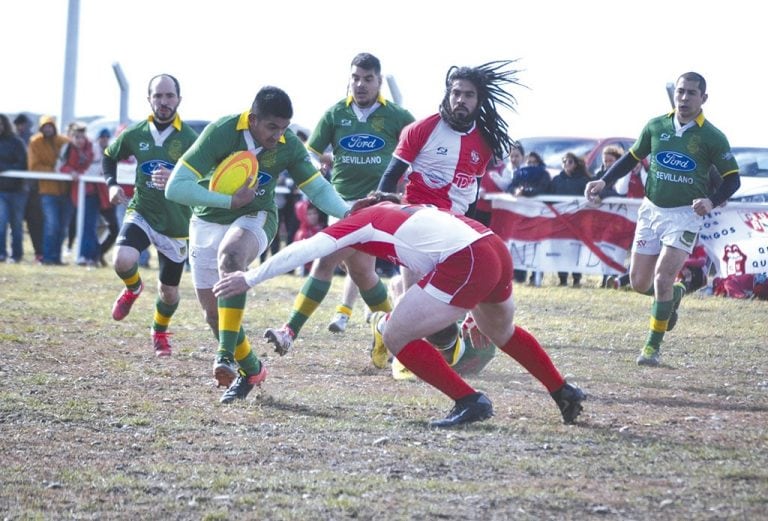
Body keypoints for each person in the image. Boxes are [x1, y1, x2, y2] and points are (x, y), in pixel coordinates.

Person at [212, 193, 586, 427]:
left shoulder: (361, 221)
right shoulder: (406, 210)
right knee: (502, 333)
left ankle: (470, 401)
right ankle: (562, 390)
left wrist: (250, 277)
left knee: (394, 333)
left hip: (468, 259)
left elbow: (307, 250)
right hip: (492, 248)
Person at [165, 85, 351, 404]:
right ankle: (251, 370)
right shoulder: (222, 132)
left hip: (257, 217)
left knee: (232, 256)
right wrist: (228, 200)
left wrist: (349, 212)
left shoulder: (288, 145)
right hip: (208, 220)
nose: (279, 136)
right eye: (272, 127)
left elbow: (318, 191)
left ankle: (223, 355)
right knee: (214, 315)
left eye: (284, 128)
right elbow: (175, 188)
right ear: (253, 120)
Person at [375, 60, 522, 374]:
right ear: (447, 94)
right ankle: (403, 359)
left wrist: (473, 230)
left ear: (478, 100)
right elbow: (388, 179)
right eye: (455, 93)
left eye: (468, 95)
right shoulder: (421, 129)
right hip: (418, 222)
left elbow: (472, 191)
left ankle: (387, 324)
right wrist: (383, 212)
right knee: (418, 298)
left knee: (442, 304)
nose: (460, 100)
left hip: (454, 228)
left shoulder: (484, 142)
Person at [585, 71, 740, 366]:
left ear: (703, 98)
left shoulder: (713, 137)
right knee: (640, 282)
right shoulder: (656, 126)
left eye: (691, 93)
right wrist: (604, 181)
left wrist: (712, 200)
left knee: (662, 277)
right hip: (651, 210)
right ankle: (675, 295)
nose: (683, 98)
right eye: (680, 91)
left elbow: (733, 180)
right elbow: (631, 157)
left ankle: (651, 348)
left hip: (685, 216)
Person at [265, 53, 414, 354]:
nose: (360, 85)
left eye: (368, 79)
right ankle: (396, 336)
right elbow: (308, 152)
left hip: (377, 205)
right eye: (355, 78)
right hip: (341, 205)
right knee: (361, 273)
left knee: (325, 260)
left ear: (379, 81)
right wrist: (316, 167)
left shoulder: (397, 116)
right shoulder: (335, 114)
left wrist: (408, 180)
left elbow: (418, 148)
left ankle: (289, 331)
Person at [102, 74, 199, 356]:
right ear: (149, 99)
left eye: (169, 96)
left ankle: (159, 331)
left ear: (179, 99)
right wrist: (111, 185)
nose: (164, 101)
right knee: (122, 260)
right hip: (142, 211)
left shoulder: (191, 139)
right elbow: (109, 156)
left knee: (168, 292)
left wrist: (177, 176)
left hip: (176, 224)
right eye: (158, 96)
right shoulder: (136, 133)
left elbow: (205, 176)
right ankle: (133, 289)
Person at [29, 115, 70, 265]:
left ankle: (56, 258)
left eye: (50, 126)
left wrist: (65, 170)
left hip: (66, 192)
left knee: (62, 228)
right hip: (47, 191)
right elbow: (34, 167)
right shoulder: (35, 142)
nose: (48, 129)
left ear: (54, 127)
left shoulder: (64, 141)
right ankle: (48, 257)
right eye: (45, 126)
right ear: (41, 128)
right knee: (52, 225)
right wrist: (55, 171)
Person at [57, 121, 98, 267]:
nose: (79, 140)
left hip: (92, 191)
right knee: (74, 224)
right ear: (71, 137)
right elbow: (60, 167)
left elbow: (97, 166)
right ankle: (82, 254)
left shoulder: (94, 147)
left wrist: (81, 174)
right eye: (76, 137)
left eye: (82, 136)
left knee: (89, 224)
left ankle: (87, 256)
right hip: (72, 192)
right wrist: (71, 172)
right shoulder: (67, 148)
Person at [548, 151, 591, 287]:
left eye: (570, 161)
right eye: (564, 161)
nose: (566, 164)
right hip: (560, 222)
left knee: (575, 250)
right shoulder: (556, 180)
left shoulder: (584, 181)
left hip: (577, 222)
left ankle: (576, 278)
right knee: (561, 249)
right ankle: (562, 279)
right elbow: (548, 197)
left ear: (576, 164)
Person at [0, 114, 29, 263]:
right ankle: (1, 253)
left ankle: (17, 254)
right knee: (1, 222)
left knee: (16, 225)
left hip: (17, 190)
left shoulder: (16, 143)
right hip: (1, 192)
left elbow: (23, 164)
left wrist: (4, 168)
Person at [93, 128, 119, 266]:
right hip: (93, 196)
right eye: (101, 137)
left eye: (106, 137)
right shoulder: (92, 152)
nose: (104, 139)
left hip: (107, 199)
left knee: (114, 230)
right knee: (92, 228)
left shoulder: (113, 152)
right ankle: (93, 255)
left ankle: (99, 253)